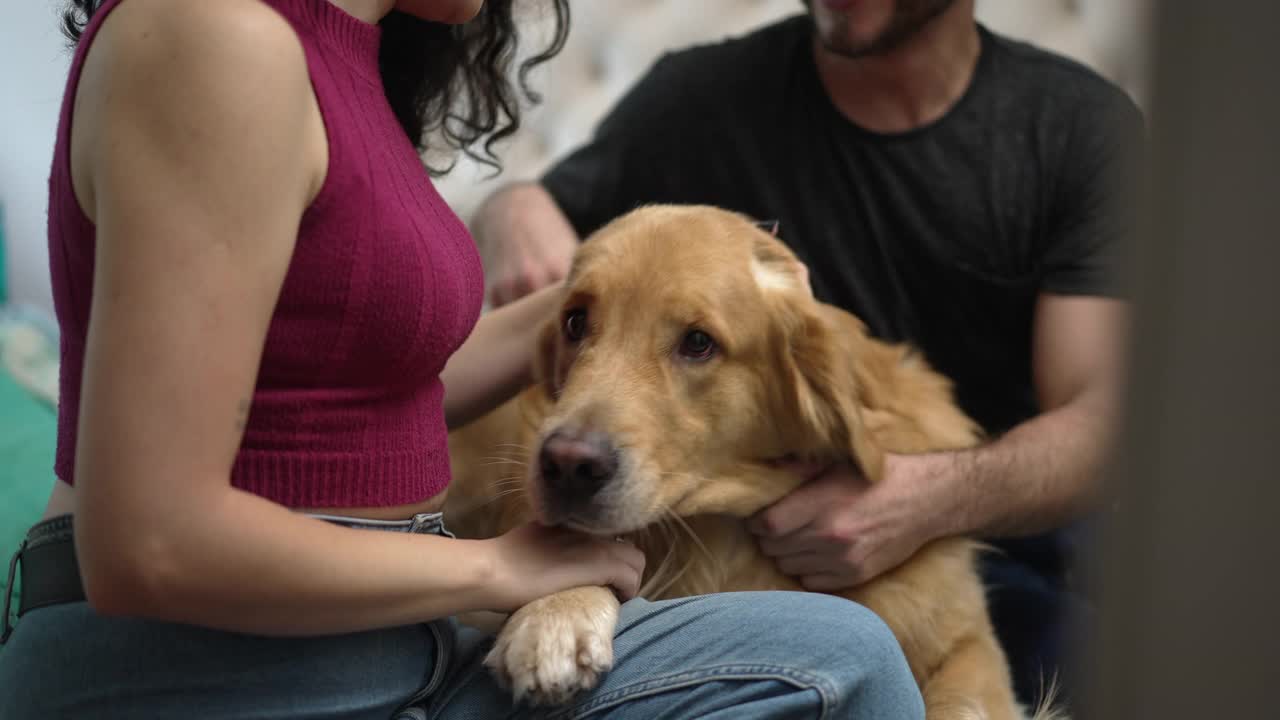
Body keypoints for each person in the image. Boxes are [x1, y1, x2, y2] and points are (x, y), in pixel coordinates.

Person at [0, 0, 927, 718]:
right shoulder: (220, 37)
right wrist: (496, 570)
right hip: (214, 677)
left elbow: (358, 400)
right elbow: (148, 545)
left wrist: (676, 278)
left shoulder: (335, 57)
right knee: (839, 662)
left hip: (366, 653)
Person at [472, 0, 1143, 707]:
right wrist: (515, 209)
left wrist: (925, 501)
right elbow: (558, 239)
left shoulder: (1075, 126)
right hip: (698, 531)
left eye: (698, 340)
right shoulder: (702, 96)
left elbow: (1105, 425)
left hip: (993, 533)